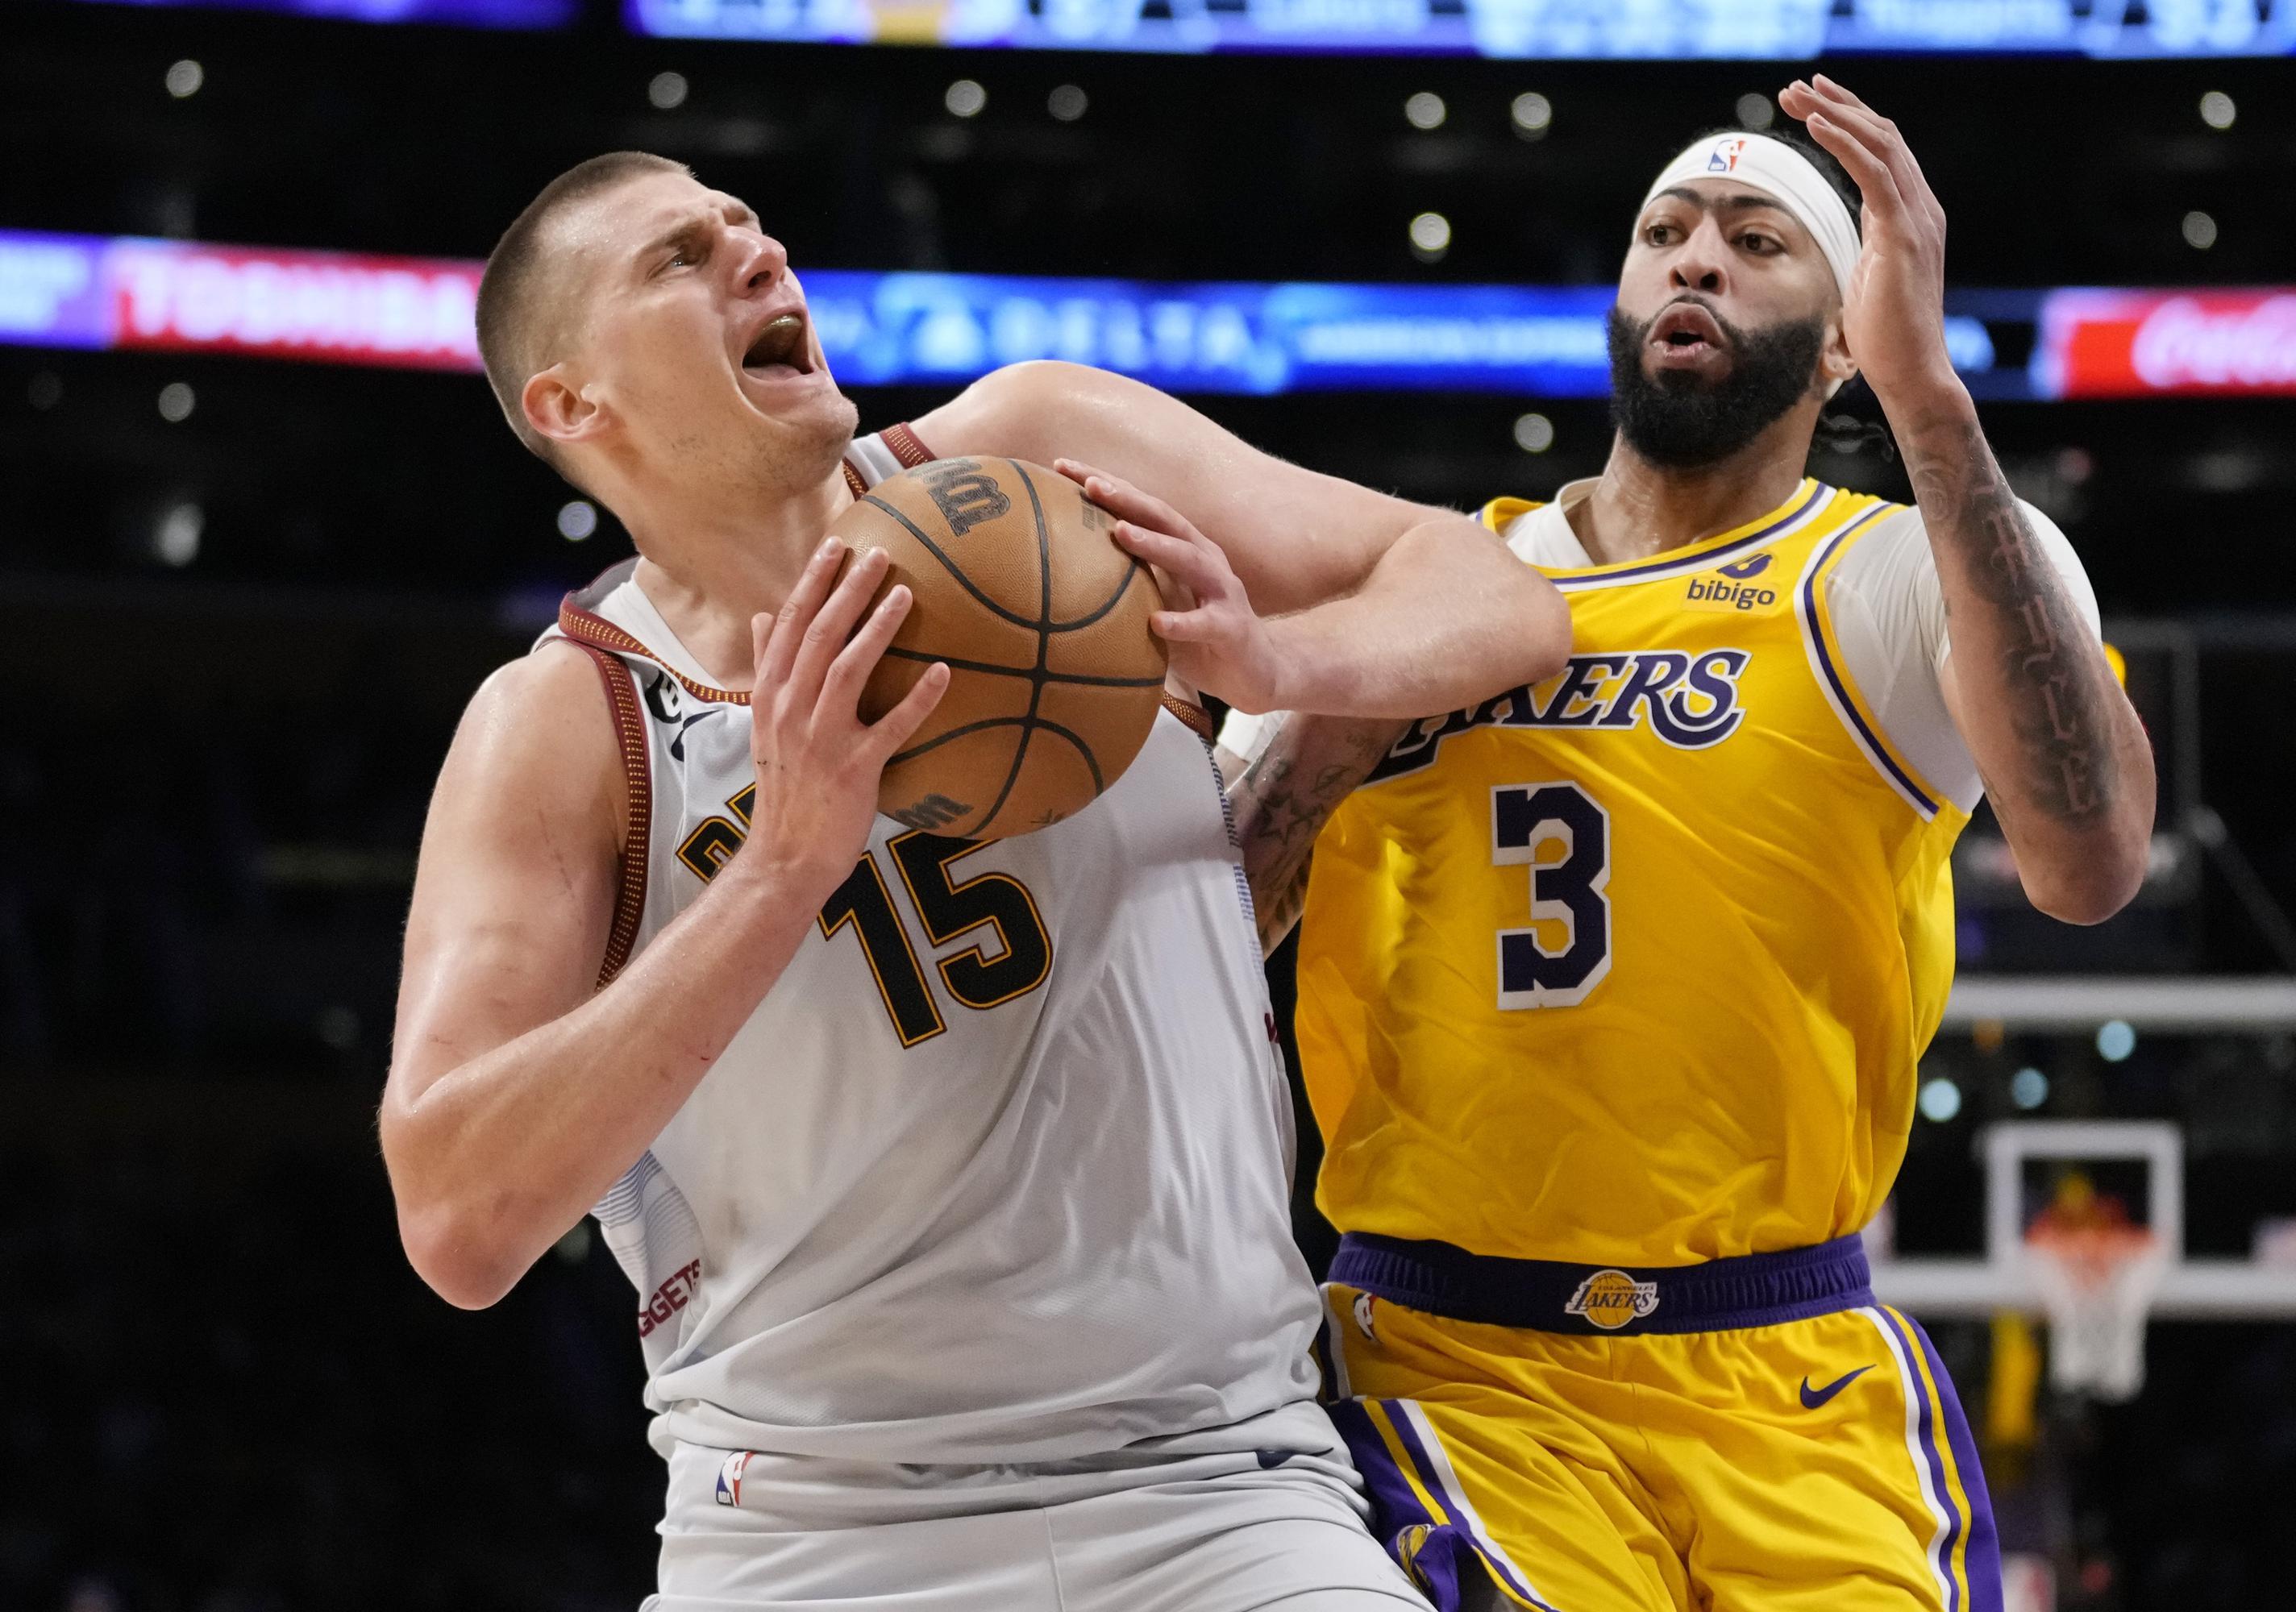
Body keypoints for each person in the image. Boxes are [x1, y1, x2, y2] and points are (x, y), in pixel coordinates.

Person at [376, 151, 1570, 1611]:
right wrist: (783, 868)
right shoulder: (570, 723)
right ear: (573, 402)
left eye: (754, 231)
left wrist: (1277, 661)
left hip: (1220, 1493)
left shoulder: (1040, 453)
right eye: (681, 259)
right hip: (817, 1531)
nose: (761, 259)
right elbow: (457, 1219)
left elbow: (1500, 598)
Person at [1219, 80, 2157, 1611]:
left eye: (1757, 239)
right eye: (1664, 231)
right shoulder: (1422, 588)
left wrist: (1936, 409)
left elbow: (2092, 860)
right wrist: (1324, 725)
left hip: (1786, 1360)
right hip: (1454, 1358)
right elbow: (1194, 943)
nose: (1696, 260)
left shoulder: (1901, 570)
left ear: (1847, 335)